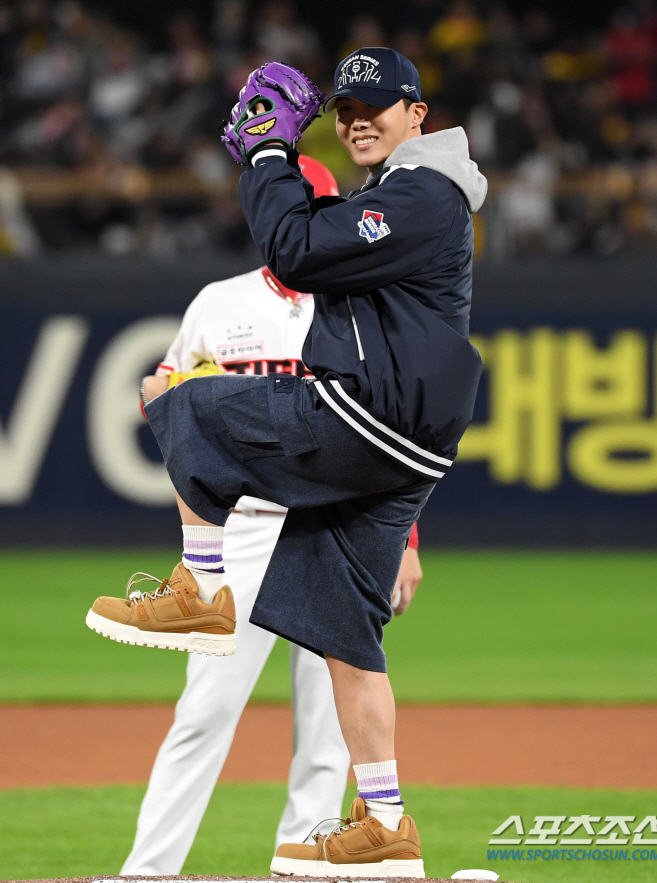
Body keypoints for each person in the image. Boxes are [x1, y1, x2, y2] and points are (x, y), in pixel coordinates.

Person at [88, 47, 486, 877]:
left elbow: (297, 250)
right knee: (348, 642)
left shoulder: (426, 190)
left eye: (377, 104)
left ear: (419, 112)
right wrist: (275, 161)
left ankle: (197, 589)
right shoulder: (401, 197)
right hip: (395, 448)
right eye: (344, 111)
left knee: (183, 403)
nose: (356, 119)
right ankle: (384, 819)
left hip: (374, 414)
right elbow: (304, 249)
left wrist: (267, 153)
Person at [119, 155, 421, 876]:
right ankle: (148, 871)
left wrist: (404, 541)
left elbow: (394, 437)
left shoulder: (364, 308)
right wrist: (164, 398)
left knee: (326, 730)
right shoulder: (219, 303)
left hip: (337, 528)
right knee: (202, 714)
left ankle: (302, 866)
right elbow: (162, 399)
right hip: (244, 526)